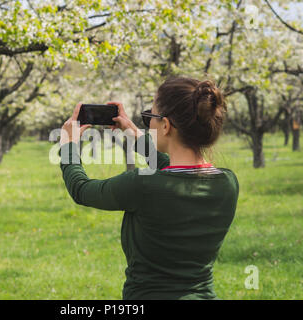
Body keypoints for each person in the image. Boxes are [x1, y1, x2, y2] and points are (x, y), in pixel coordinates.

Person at [58, 76, 239, 300]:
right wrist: (131, 131)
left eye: (149, 117)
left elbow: (81, 189)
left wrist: (68, 145)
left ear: (166, 125)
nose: (148, 123)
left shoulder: (143, 185)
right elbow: (174, 169)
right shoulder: (228, 183)